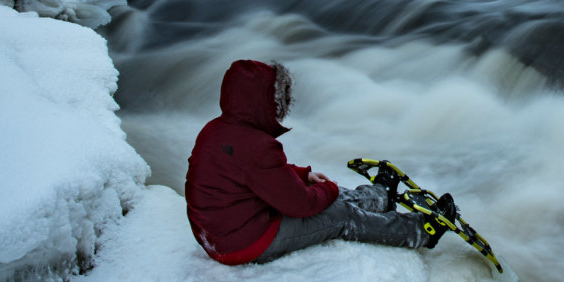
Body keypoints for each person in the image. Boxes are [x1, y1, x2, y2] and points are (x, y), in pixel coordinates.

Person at [185, 58, 455, 265]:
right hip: (244, 243)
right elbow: (299, 204)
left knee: (320, 197)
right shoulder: (258, 146)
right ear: (263, 103)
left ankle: (379, 197)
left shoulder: (215, 130)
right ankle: (420, 231)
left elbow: (253, 175)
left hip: (221, 233)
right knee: (340, 216)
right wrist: (330, 189)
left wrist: (302, 176)